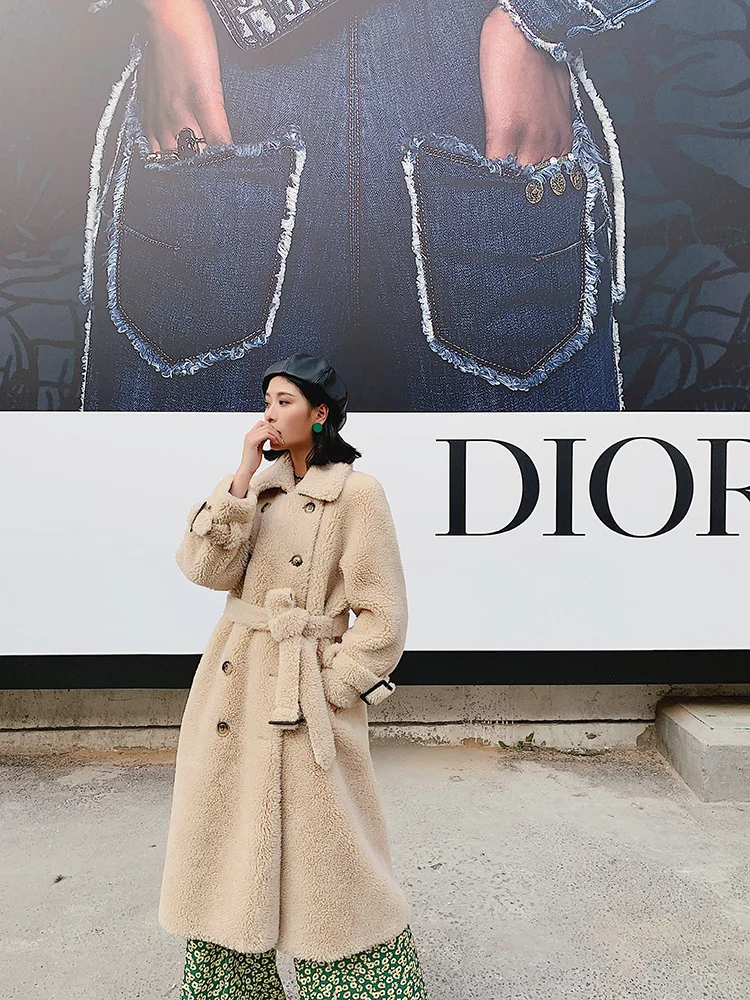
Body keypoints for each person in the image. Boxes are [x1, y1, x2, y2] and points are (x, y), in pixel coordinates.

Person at [79, 0, 662, 413]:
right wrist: (165, 11)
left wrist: (538, 20)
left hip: (473, 82)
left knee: (512, 530)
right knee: (184, 526)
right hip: (231, 80)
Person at [159, 351, 429, 998]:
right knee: (226, 838)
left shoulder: (357, 494)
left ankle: (361, 983)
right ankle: (231, 985)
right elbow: (203, 571)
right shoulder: (256, 488)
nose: (271, 413)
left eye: (285, 401)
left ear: (320, 412)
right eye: (267, 401)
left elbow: (384, 613)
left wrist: (335, 685)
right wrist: (241, 474)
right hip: (235, 682)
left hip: (304, 687)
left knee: (330, 850)